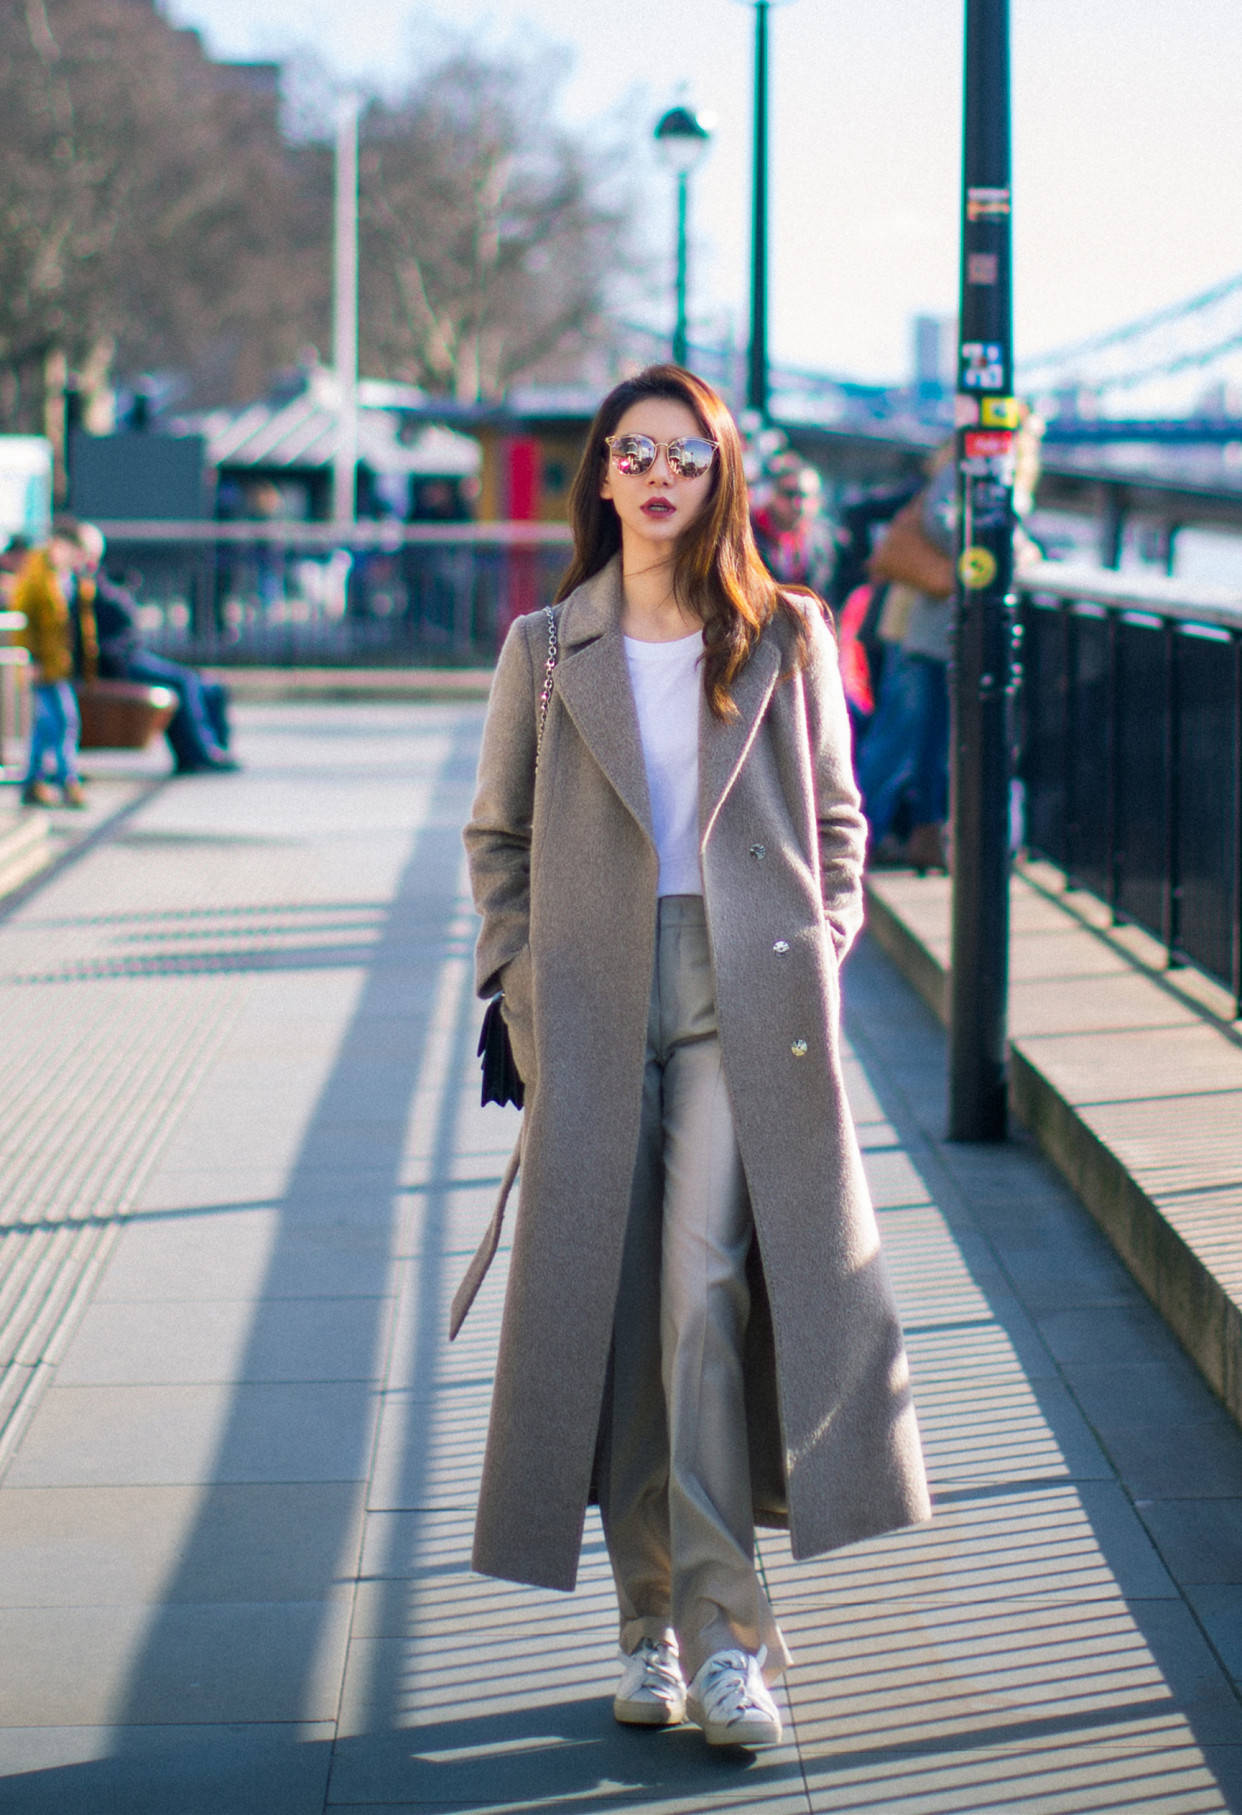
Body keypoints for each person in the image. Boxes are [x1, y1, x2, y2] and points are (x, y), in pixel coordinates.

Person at [458, 365, 930, 1750]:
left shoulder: (781, 632)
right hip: (593, 996)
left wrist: (816, 944)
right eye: (634, 451)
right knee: (610, 1315)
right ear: (603, 474)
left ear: (721, 474)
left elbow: (835, 825)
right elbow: (495, 840)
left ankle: (731, 1636)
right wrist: (523, 980)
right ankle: (642, 1626)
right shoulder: (545, 648)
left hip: (744, 994)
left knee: (704, 1295)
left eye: (687, 452)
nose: (659, 473)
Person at [76, 525, 237, 774]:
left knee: (208, 685)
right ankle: (197, 753)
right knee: (183, 683)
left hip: (128, 653)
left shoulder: (95, 580)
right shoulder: (82, 585)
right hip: (117, 661)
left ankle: (213, 748)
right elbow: (93, 637)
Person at [13, 519, 96, 808]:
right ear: (61, 545)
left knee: (46, 724)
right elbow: (24, 619)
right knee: (64, 720)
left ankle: (32, 781)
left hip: (59, 663)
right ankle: (66, 780)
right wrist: (29, 658)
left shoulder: (65, 576)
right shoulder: (38, 573)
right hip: (43, 664)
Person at [750, 452, 835, 599]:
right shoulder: (746, 531)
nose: (798, 504)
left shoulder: (822, 540)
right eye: (790, 494)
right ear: (772, 493)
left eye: (806, 496)